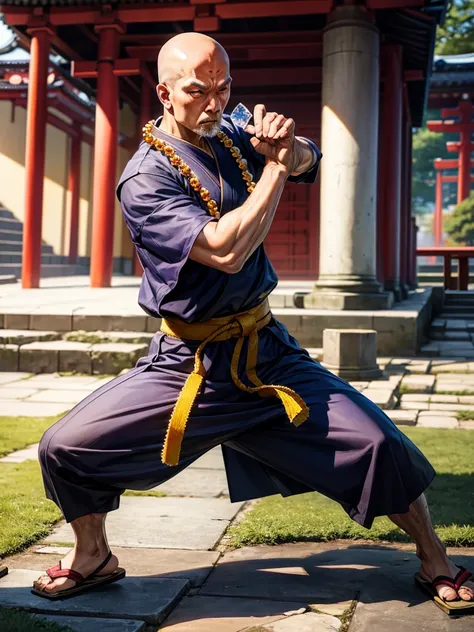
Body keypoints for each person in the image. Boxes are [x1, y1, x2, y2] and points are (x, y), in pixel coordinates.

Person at [33, 32, 473, 612]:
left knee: (378, 442)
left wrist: (291, 146)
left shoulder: (234, 130)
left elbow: (312, 157)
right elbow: (224, 250)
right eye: (197, 91)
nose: (214, 103)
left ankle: (434, 558)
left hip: (266, 354)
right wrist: (276, 169)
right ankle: (94, 557)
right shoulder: (145, 177)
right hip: (190, 364)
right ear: (165, 93)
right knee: (64, 447)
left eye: (223, 88)